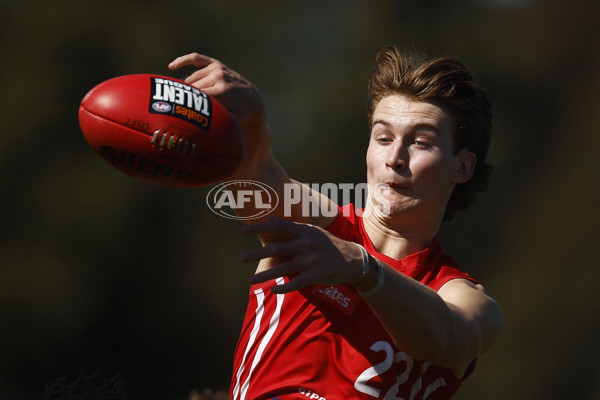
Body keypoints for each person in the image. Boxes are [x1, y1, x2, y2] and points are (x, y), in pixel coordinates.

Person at [168, 45, 504, 400]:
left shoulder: (462, 298)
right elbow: (255, 173)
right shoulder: (317, 226)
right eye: (383, 137)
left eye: (420, 142)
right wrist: (249, 122)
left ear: (462, 167)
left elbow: (447, 336)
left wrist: (363, 269)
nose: (394, 158)